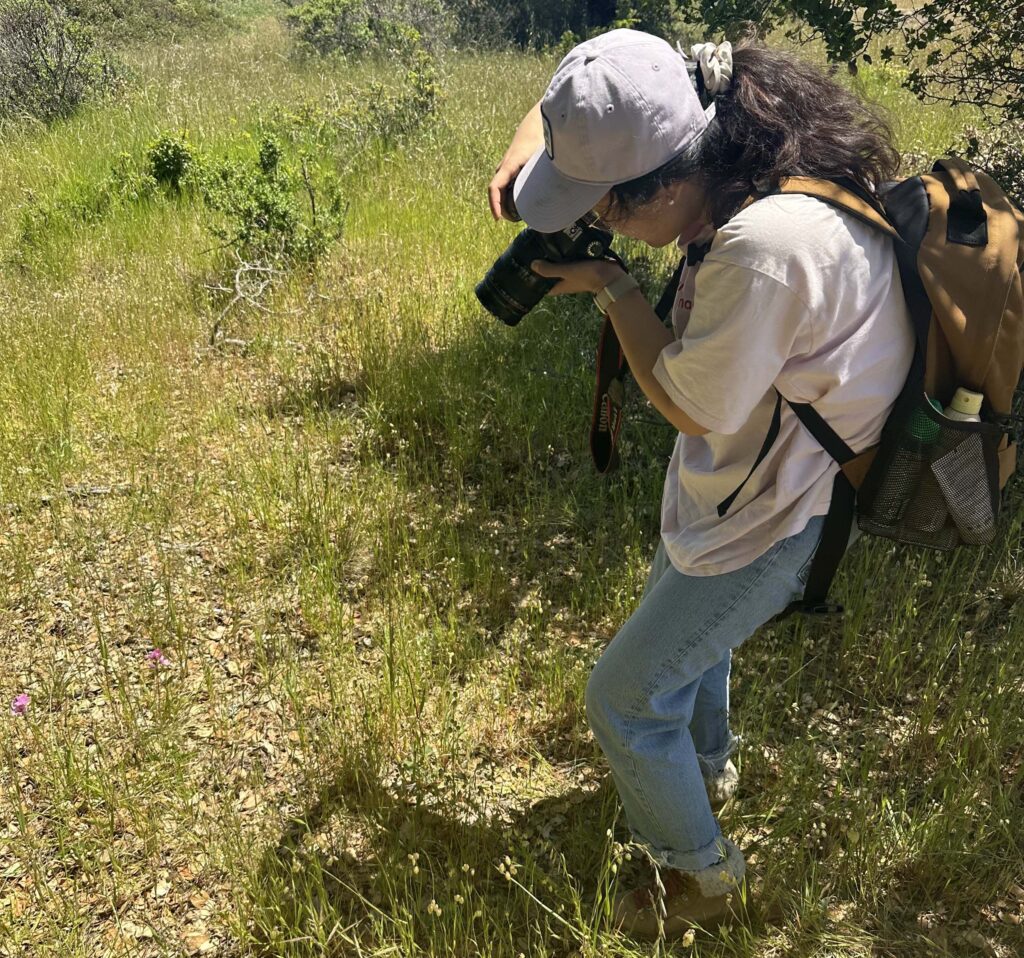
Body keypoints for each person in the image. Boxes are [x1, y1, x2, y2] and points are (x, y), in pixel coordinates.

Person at [486, 29, 915, 940]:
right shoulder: (733, 129)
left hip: (781, 508)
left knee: (623, 696)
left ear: (667, 185)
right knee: (687, 633)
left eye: (607, 210)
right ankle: (709, 765)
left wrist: (614, 288)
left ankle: (704, 876)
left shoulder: (763, 248)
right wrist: (529, 152)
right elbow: (596, 65)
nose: (602, 226)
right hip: (749, 485)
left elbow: (691, 404)